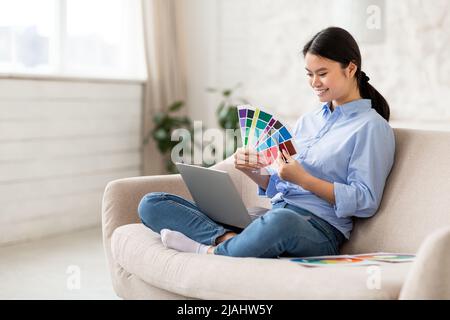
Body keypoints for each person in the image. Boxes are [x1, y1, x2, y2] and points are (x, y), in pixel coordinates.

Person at [138, 26, 395, 258]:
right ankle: (230, 240)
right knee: (152, 203)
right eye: (309, 74)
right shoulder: (309, 119)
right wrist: (254, 171)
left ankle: (208, 250)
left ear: (350, 68)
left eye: (322, 73)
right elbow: (282, 180)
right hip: (271, 215)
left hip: (317, 228)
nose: (314, 83)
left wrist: (304, 179)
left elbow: (365, 200)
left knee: (280, 222)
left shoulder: (372, 127)